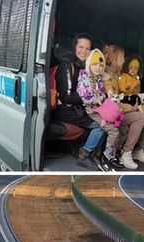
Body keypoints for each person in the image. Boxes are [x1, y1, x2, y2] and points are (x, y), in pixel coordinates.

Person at [51, 33, 105, 170]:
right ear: (74, 47)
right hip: (65, 109)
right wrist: (89, 95)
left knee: (107, 120)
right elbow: (66, 97)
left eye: (88, 49)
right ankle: (84, 156)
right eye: (81, 47)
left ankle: (91, 152)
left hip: (78, 107)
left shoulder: (86, 67)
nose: (84, 51)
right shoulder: (67, 65)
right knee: (100, 125)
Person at [103, 45, 144, 169]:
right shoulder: (107, 77)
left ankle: (133, 151)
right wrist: (131, 108)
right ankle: (125, 152)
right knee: (139, 118)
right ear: (114, 59)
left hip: (118, 111)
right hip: (112, 113)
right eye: (122, 58)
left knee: (142, 116)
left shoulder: (115, 74)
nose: (124, 61)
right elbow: (113, 101)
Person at [76, 48, 123, 171]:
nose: (98, 68)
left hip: (100, 109)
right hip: (91, 111)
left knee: (117, 123)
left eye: (101, 66)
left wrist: (105, 99)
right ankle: (88, 153)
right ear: (89, 64)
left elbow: (102, 95)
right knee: (112, 130)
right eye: (95, 64)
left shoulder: (98, 78)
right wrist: (96, 99)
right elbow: (83, 96)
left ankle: (98, 153)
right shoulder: (84, 77)